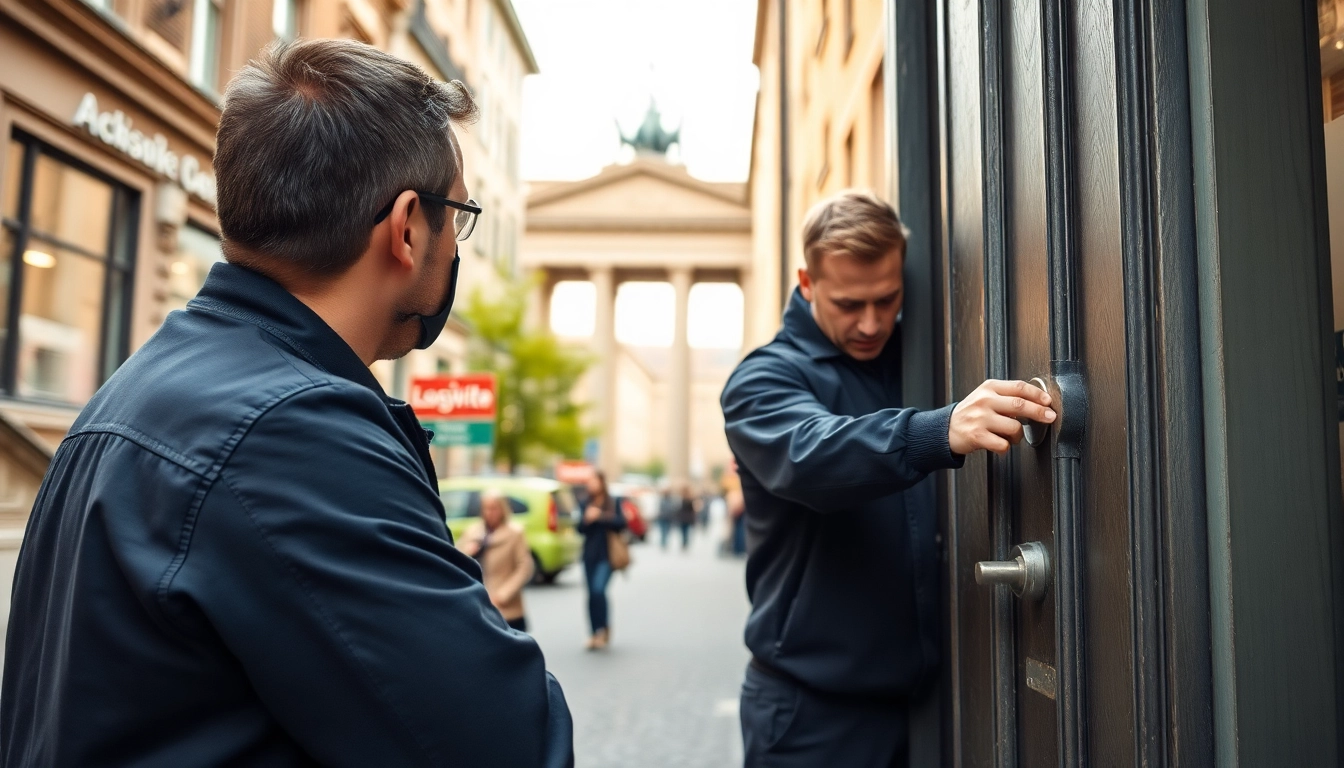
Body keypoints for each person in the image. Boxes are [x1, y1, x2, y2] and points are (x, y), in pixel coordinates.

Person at [0, 39, 572, 768]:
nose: (454, 246)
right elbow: (510, 745)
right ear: (405, 228)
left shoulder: (133, 391)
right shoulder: (297, 434)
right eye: (456, 217)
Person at [721, 191, 1054, 767]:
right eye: (849, 304)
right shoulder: (762, 381)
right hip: (810, 717)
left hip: (930, 710)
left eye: (887, 299)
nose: (871, 322)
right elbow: (811, 456)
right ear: (807, 282)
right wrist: (938, 429)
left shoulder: (921, 355)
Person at [458, 490, 534, 632]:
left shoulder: (514, 533)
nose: (490, 513)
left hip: (507, 607)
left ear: (502, 509)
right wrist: (468, 551)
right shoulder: (473, 532)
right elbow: (456, 560)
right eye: (486, 508)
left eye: (494, 508)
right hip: (478, 605)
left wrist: (503, 595)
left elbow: (524, 567)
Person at [575, 470, 626, 650]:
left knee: (598, 590)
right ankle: (595, 632)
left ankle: (603, 628)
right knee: (590, 594)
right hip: (589, 555)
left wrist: (601, 516)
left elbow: (622, 524)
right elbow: (579, 529)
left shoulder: (613, 502)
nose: (591, 485)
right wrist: (587, 519)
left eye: (594, 481)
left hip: (607, 555)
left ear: (602, 482)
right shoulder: (584, 503)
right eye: (589, 482)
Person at [675, 483, 697, 552]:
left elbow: (678, 509)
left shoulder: (681, 499)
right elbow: (694, 509)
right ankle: (685, 543)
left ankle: (684, 543)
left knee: (683, 532)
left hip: (682, 518)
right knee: (686, 531)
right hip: (688, 518)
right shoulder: (691, 499)